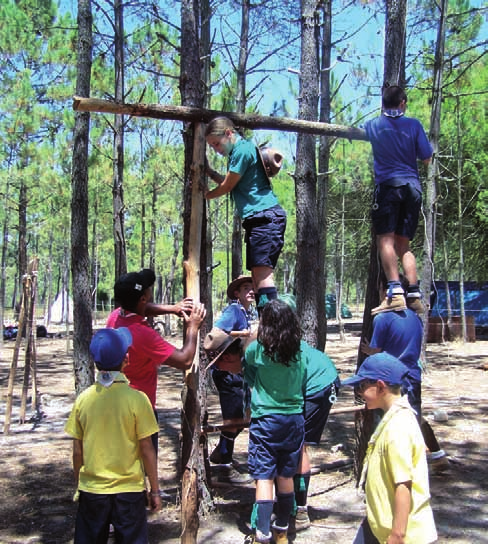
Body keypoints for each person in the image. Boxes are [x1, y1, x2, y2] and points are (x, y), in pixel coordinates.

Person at [65, 327, 162, 544]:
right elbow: (147, 449)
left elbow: (77, 451)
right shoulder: (138, 399)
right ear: (126, 359)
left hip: (92, 491)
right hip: (129, 493)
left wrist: (79, 485)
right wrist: (155, 490)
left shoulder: (84, 400)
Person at [106, 268, 206, 453]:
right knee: (142, 464)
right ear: (143, 298)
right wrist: (193, 327)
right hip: (140, 411)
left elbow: (140, 308)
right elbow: (184, 360)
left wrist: (172, 308)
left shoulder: (115, 317)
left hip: (115, 405)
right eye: (147, 289)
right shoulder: (143, 335)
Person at [343, 352, 438, 544]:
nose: (360, 393)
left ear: (380, 386)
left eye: (362, 386)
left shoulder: (398, 427)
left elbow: (403, 485)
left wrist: (397, 535)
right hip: (379, 525)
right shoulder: (392, 419)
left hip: (404, 534)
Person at [361, 274, 448, 468]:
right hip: (412, 376)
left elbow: (376, 351)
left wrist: (368, 352)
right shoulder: (415, 318)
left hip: (389, 380)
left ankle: (391, 466)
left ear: (386, 291)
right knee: (413, 418)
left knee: (386, 422)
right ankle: (432, 456)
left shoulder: (382, 318)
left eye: (380, 288)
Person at [204, 116, 287, 313]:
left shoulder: (242, 149)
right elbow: (230, 182)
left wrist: (205, 195)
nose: (216, 149)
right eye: (212, 146)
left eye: (216, 143)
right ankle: (265, 323)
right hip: (257, 220)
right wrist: (208, 172)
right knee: (257, 278)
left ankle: (272, 328)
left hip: (265, 217)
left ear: (229, 133)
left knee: (263, 277)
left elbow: (227, 186)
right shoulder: (238, 154)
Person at [364, 84, 433, 315]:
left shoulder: (374, 125)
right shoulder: (414, 125)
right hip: (412, 188)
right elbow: (426, 158)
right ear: (402, 103)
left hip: (387, 188)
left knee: (385, 240)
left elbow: (360, 133)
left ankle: (394, 292)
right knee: (404, 245)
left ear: (383, 104)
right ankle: (413, 292)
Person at [242, 299, 307, 544]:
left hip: (266, 421)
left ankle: (262, 534)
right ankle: (282, 530)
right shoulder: (299, 349)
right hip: (293, 420)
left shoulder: (258, 349)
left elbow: (246, 364)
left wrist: (251, 335)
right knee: (286, 476)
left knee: (264, 478)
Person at [291, 342, 340, 533]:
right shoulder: (276, 336)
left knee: (298, 445)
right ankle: (290, 502)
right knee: (296, 444)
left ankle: (300, 511)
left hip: (318, 386)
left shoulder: (261, 352)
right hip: (319, 381)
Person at [206, 275, 255, 466]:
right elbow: (216, 333)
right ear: (237, 293)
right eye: (245, 288)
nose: (251, 291)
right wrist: (243, 334)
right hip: (227, 371)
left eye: (252, 288)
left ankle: (222, 453)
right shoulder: (234, 311)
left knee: (243, 415)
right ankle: (223, 460)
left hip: (239, 371)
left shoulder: (248, 313)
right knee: (234, 417)